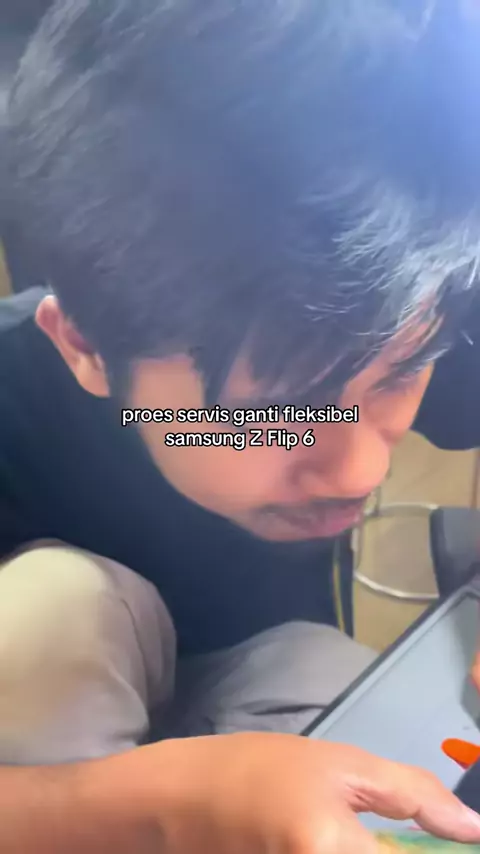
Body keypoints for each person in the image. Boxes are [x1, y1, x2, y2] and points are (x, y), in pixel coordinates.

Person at [2, 0, 480, 851]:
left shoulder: (400, 304)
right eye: (268, 414)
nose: (359, 472)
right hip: (42, 724)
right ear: (83, 347)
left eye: (400, 376)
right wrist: (156, 799)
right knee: (53, 623)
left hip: (266, 667)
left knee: (329, 682)